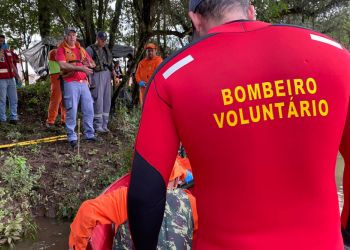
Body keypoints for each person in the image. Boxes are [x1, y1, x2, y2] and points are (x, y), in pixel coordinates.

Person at [127, 0, 350, 249]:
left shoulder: (172, 76)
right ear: (250, 10)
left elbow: (143, 195)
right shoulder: (337, 57)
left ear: (194, 19)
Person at [68, 157, 197, 250]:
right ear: (175, 181)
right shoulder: (190, 202)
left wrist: (77, 247)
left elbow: (87, 211)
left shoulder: (125, 197)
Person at [56, 27, 97, 148]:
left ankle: (89, 134)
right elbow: (62, 65)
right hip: (70, 82)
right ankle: (71, 136)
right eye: (69, 35)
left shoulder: (81, 49)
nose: (72, 37)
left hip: (84, 83)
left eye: (74, 35)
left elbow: (93, 64)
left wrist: (89, 64)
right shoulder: (61, 49)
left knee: (89, 108)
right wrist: (80, 68)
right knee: (71, 109)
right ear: (65, 37)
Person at [86, 31, 115, 133]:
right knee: (98, 99)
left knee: (107, 99)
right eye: (102, 40)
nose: (103, 42)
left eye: (105, 40)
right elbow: (86, 64)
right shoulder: (90, 49)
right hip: (97, 75)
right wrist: (90, 79)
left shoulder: (106, 49)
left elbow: (110, 62)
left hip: (107, 74)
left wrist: (113, 72)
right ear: (97, 38)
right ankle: (97, 125)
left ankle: (104, 124)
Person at [135, 43, 162, 107]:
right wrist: (139, 82)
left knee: (154, 106)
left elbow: (159, 74)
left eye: (151, 50)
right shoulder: (142, 62)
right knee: (144, 107)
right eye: (148, 51)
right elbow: (137, 74)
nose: (150, 52)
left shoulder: (159, 60)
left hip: (154, 88)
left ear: (155, 51)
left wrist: (152, 83)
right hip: (143, 89)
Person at [46, 48, 66, 127]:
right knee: (56, 99)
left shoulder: (63, 52)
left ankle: (64, 121)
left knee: (65, 100)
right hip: (56, 77)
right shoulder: (54, 52)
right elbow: (61, 59)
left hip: (64, 76)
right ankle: (50, 121)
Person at [0, 41, 19, 124]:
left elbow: (12, 64)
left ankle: (13, 118)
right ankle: (2, 119)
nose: (2, 42)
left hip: (11, 78)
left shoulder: (8, 52)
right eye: (0, 41)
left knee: (14, 99)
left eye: (3, 41)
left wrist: (17, 76)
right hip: (1, 79)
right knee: (2, 99)